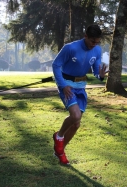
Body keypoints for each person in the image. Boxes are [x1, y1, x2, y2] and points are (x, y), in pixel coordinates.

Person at [52, 24, 108, 164]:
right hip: (67, 85)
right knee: (75, 115)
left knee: (76, 124)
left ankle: (60, 150)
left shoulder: (97, 50)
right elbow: (56, 65)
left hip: (81, 87)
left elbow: (96, 70)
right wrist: (63, 85)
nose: (94, 44)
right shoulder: (70, 48)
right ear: (86, 36)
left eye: (97, 42)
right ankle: (58, 137)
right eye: (92, 41)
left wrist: (100, 75)